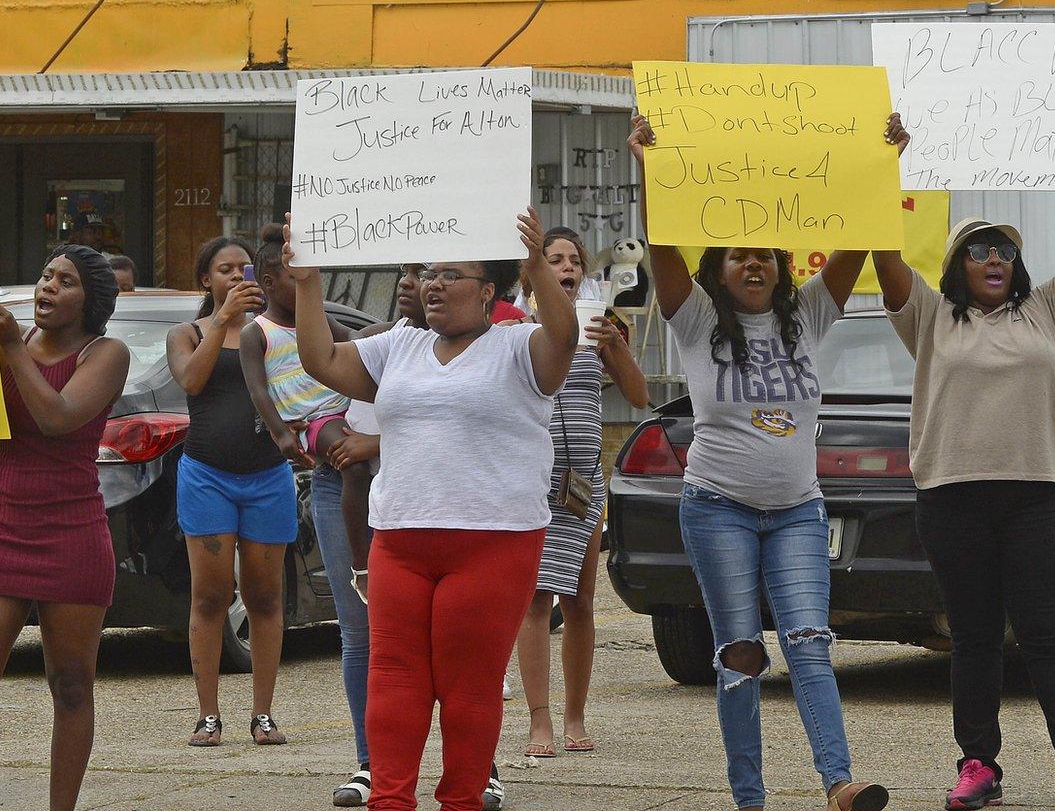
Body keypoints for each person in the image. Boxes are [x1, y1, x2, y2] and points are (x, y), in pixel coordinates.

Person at [873, 125, 1055, 811]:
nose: (993, 256)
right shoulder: (930, 316)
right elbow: (881, 246)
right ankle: (979, 766)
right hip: (952, 499)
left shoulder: (1046, 310)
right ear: (957, 265)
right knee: (972, 640)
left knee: (1049, 638)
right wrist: (889, 165)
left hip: (1034, 499)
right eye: (978, 249)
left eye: (1002, 248)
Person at [630, 116, 890, 811]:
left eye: (766, 256)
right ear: (716, 270)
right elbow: (660, 247)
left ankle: (839, 781)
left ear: (783, 269)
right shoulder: (694, 321)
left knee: (809, 641)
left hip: (798, 513)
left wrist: (882, 156)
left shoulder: (807, 316)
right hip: (718, 510)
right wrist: (650, 170)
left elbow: (858, 237)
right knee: (740, 653)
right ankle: (750, 797)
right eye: (738, 255)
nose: (753, 264)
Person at [288, 208, 577, 811]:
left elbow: (565, 338)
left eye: (451, 273)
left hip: (493, 541)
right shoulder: (402, 345)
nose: (433, 284)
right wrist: (309, 281)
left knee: (467, 684)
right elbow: (322, 360)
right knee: (394, 675)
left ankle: (462, 800)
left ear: (489, 291)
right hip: (399, 538)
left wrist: (535, 267)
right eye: (427, 274)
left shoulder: (521, 344)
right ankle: (389, 801)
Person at [0, 247, 132, 811]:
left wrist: (6, 348)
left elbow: (56, 417)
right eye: (45, 275)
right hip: (2, 522)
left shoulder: (107, 354)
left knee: (71, 684)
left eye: (64, 281)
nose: (47, 286)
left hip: (73, 531)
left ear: (89, 300)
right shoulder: (7, 345)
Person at [240, 222, 378, 805]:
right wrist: (277, 433)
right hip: (311, 429)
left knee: (357, 455)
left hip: (344, 415)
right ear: (273, 279)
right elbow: (258, 391)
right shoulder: (258, 332)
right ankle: (361, 557)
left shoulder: (324, 329)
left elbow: (369, 340)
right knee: (346, 461)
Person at [513, 227, 648, 758]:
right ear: (535, 270)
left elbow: (638, 397)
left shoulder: (598, 325)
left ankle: (575, 717)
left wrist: (615, 345)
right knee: (535, 602)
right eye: (555, 259)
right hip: (529, 482)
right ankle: (538, 720)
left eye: (573, 261)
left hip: (582, 485)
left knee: (582, 602)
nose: (566, 268)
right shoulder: (514, 324)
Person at [166, 235, 300, 747]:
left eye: (245, 268)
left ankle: (262, 713)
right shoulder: (187, 332)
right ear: (207, 279)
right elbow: (191, 382)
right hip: (207, 476)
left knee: (266, 597)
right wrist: (222, 320)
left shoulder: (271, 333)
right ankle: (208, 714)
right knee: (211, 596)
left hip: (267, 476)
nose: (238, 277)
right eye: (226, 269)